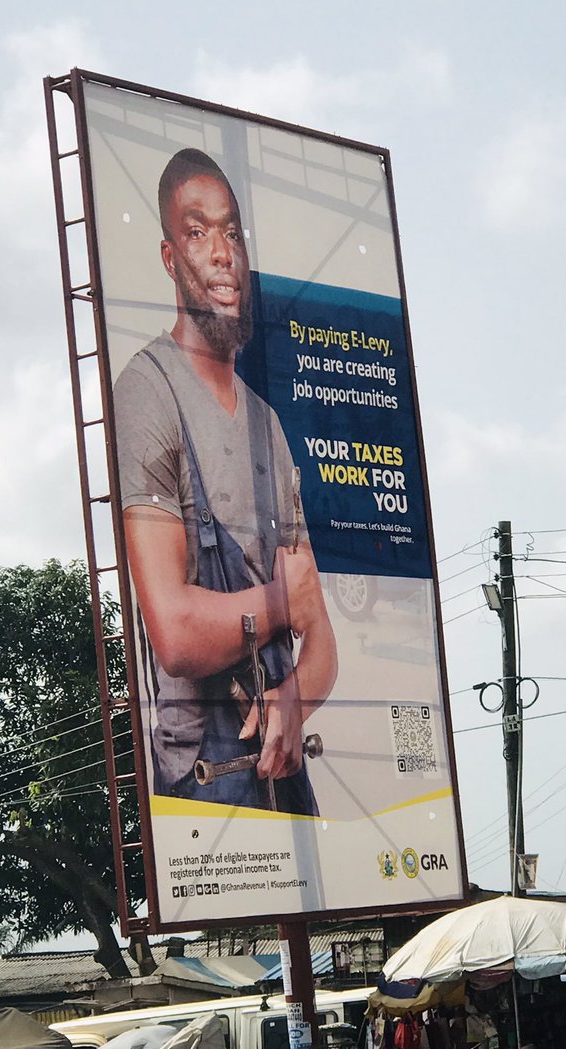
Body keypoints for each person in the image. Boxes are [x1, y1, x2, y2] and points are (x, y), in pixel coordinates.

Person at [112, 148, 337, 815]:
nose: (221, 252)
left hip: (282, 763)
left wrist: (295, 692)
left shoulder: (267, 423)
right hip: (204, 785)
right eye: (197, 230)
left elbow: (319, 632)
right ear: (168, 254)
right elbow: (176, 636)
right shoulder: (148, 392)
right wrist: (277, 604)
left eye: (232, 232)